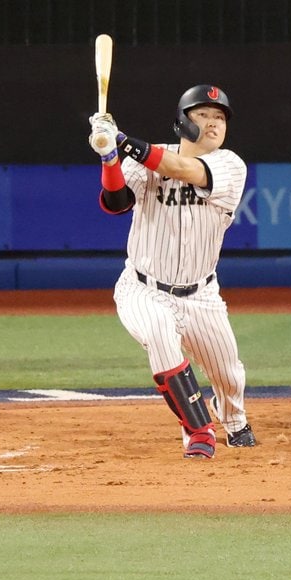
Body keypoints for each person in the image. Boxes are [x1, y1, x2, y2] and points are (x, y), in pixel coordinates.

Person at [88, 85, 255, 459]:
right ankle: (199, 430)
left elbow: (182, 168)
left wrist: (122, 141)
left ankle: (235, 421)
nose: (213, 122)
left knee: (229, 375)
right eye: (203, 114)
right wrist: (109, 157)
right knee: (160, 334)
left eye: (220, 117)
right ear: (182, 121)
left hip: (202, 295)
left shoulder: (230, 164)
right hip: (143, 288)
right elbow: (116, 203)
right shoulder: (143, 159)